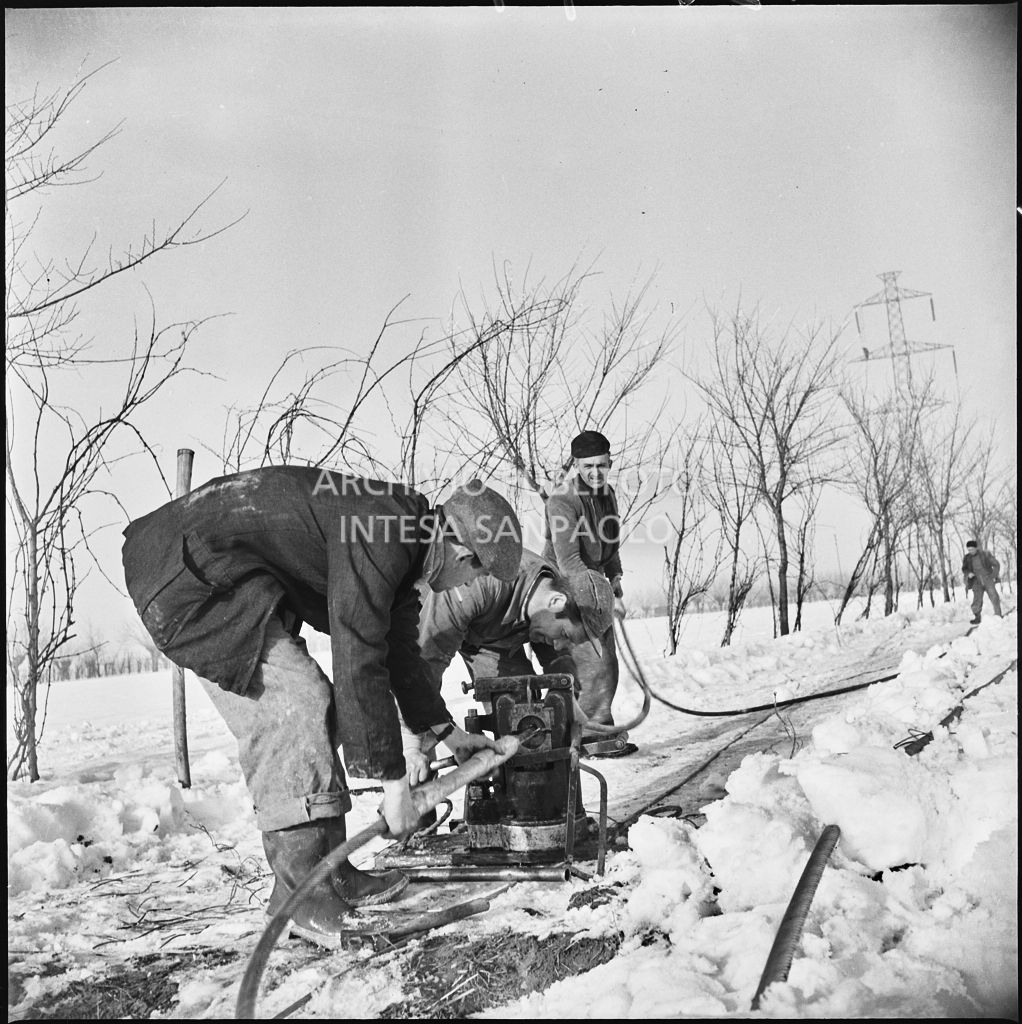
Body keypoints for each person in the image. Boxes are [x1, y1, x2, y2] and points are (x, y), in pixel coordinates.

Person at [121, 467, 522, 948]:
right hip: (187, 575)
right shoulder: (383, 532)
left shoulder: (402, 542)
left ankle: (330, 874)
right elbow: (358, 656)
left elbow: (397, 652)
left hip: (222, 573)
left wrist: (446, 733)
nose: (467, 585)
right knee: (295, 705)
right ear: (460, 550)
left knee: (319, 706)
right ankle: (302, 897)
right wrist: (395, 784)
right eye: (477, 573)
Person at [401, 549, 616, 784]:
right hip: (423, 617)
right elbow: (420, 667)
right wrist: (412, 742)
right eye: (564, 633)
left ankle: (522, 796)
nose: (558, 643)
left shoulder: (549, 593)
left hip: (489, 635)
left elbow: (558, 658)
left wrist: (568, 698)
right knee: (417, 733)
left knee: (522, 713)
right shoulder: (481, 583)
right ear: (556, 602)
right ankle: (411, 795)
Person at [543, 429, 636, 757]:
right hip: (567, 590)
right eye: (587, 466)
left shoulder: (607, 494)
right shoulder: (562, 500)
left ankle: (597, 729)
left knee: (607, 664)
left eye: (601, 465)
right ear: (576, 465)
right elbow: (568, 561)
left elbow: (610, 545)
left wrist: (615, 578)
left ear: (610, 463)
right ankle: (587, 737)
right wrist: (599, 596)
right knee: (592, 664)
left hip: (595, 585)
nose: (595, 472)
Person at [961, 539, 1003, 624]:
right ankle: (977, 617)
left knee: (994, 596)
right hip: (976, 581)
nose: (970, 551)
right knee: (977, 600)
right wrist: (968, 573)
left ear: (976, 548)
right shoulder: (967, 558)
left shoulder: (985, 554)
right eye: (969, 550)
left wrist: (993, 576)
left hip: (988, 579)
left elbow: (996, 564)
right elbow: (964, 568)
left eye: (972, 549)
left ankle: (998, 615)